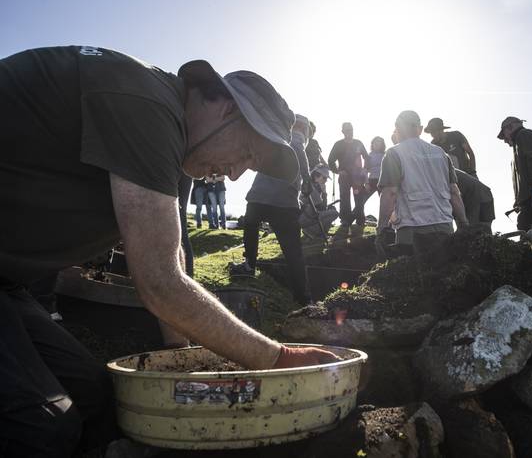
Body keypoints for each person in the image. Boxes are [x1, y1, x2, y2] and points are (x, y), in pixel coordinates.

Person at [0, 46, 338, 457]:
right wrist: (277, 357)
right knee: (39, 425)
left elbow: (172, 254)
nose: (233, 174)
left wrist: (183, 361)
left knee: (94, 396)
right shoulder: (145, 103)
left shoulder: (176, 152)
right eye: (247, 154)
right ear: (227, 109)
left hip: (8, 283)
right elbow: (159, 282)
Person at [230, 114, 312, 305]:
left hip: (259, 196)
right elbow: (302, 162)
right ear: (304, 130)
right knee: (293, 252)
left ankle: (249, 264)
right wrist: (307, 184)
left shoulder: (274, 136)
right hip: (284, 202)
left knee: (251, 225)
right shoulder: (297, 141)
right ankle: (303, 297)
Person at [376, 111, 468, 256]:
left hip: (412, 231)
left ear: (398, 128)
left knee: (412, 276)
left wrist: (381, 229)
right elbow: (454, 192)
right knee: (443, 273)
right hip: (444, 227)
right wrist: (463, 223)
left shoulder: (394, 153)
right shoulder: (440, 153)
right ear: (419, 128)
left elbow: (390, 193)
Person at [327, 122, 369, 226]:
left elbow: (367, 157)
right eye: (347, 130)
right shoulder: (338, 144)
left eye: (351, 130)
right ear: (343, 131)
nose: (349, 132)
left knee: (359, 198)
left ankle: (360, 219)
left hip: (357, 176)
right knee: (345, 198)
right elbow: (330, 160)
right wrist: (338, 171)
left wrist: (365, 169)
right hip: (344, 175)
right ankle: (345, 220)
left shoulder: (358, 143)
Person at [299, 164, 339, 239]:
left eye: (326, 178)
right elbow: (322, 208)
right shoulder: (312, 189)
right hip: (305, 218)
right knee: (334, 213)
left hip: (306, 216)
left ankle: (320, 232)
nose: (326, 181)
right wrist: (324, 193)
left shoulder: (311, 185)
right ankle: (312, 231)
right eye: (324, 178)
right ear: (316, 176)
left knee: (332, 209)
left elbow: (320, 207)